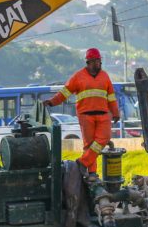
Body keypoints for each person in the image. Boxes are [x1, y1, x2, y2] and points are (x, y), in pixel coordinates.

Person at [43, 47, 120, 175]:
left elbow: (111, 96)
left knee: (104, 138)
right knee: (89, 146)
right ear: (89, 62)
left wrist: (115, 112)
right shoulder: (78, 77)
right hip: (85, 115)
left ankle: (82, 163)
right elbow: (65, 92)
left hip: (103, 114)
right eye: (96, 61)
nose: (99, 64)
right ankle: (92, 174)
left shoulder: (105, 76)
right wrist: (52, 101)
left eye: (99, 61)